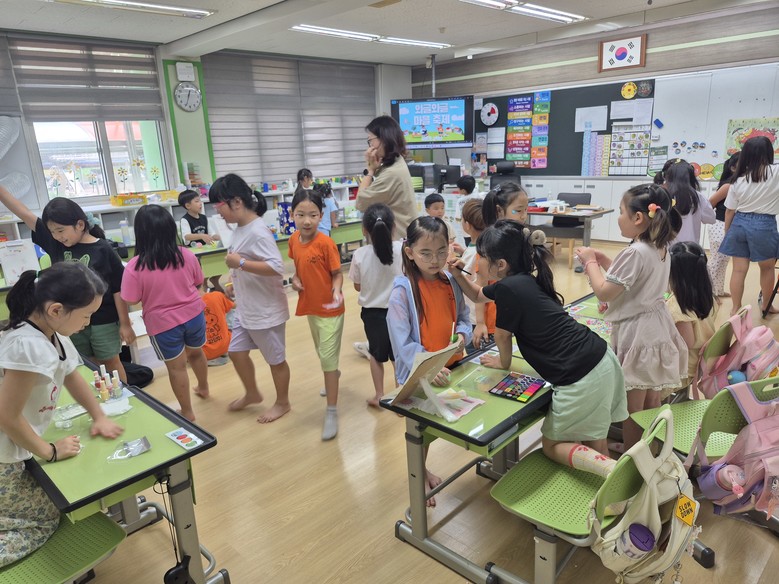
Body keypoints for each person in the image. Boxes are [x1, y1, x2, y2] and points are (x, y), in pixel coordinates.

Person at [450, 221, 626, 478]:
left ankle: (611, 470)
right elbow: (478, 295)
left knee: (552, 445)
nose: (478, 263)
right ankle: (612, 487)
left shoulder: (508, 288)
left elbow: (502, 335)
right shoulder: (521, 281)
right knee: (594, 436)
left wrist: (503, 363)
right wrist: (458, 275)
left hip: (580, 375)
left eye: (482, 257)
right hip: (601, 360)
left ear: (501, 264)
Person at [0, 262, 123, 567]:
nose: (88, 323)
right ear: (56, 309)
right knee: (45, 520)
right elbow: (6, 416)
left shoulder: (52, 332)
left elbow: (72, 376)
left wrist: (99, 416)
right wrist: (50, 451)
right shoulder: (29, 346)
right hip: (4, 456)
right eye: (86, 316)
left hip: (15, 446)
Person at [576, 183, 687, 449]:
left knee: (632, 408)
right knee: (651, 400)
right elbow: (633, 280)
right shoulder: (659, 247)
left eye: (621, 211)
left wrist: (590, 262)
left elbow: (605, 291)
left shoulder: (635, 251)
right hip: (655, 327)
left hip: (639, 333)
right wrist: (604, 261)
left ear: (637, 217)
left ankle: (633, 458)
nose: (618, 217)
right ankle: (650, 449)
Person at [0, 187, 134, 383]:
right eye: (52, 232)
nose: (57, 236)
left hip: (103, 319)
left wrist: (125, 323)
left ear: (80, 224)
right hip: (68, 319)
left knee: (111, 361)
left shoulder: (103, 248)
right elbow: (23, 212)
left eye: (61, 230)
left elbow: (117, 289)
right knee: (84, 363)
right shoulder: (55, 243)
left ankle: (123, 394)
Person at [387, 216, 471, 505]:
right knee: (418, 430)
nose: (435, 260)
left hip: (450, 369)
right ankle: (418, 475)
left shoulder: (451, 282)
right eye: (426, 253)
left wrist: (463, 335)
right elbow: (402, 343)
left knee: (433, 428)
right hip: (420, 374)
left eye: (441, 252)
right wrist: (429, 366)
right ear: (410, 252)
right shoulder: (403, 291)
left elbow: (463, 318)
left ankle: (422, 469)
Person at [209, 174, 292, 423]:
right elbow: (244, 263)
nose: (217, 211)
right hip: (247, 308)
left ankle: (283, 403)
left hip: (265, 311)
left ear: (236, 202)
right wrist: (234, 282)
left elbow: (276, 267)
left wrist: (241, 264)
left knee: (276, 361)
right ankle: (252, 393)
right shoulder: (239, 229)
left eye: (218, 205)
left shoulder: (258, 231)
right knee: (236, 352)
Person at [120, 205, 209, 422]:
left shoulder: (135, 266)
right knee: (196, 353)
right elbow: (198, 281)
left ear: (140, 233)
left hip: (163, 324)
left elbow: (130, 299)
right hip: (194, 315)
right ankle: (204, 387)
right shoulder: (186, 254)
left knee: (176, 368)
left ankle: (187, 411)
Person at [289, 189, 344, 440]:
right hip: (311, 307)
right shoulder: (293, 240)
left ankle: (331, 411)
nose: (307, 220)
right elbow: (297, 269)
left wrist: (337, 290)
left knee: (328, 360)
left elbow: (337, 274)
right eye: (301, 214)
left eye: (313, 215)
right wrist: (295, 280)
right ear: (292, 215)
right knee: (323, 355)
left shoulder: (325, 243)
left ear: (321, 215)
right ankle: (332, 374)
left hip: (331, 310)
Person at [348, 204, 403, 407]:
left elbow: (357, 286)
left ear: (364, 230)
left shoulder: (360, 254)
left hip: (372, 315)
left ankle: (379, 395)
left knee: (376, 355)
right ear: (394, 226)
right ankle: (400, 398)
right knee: (398, 356)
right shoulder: (402, 250)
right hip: (399, 311)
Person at [719, 136, 779, 315]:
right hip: (764, 224)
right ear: (769, 152)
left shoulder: (738, 180)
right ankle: (766, 305)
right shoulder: (776, 172)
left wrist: (727, 231)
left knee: (738, 270)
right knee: (767, 268)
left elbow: (729, 211)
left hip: (739, 223)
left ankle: (735, 308)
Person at [665, 242, 719, 399]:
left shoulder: (678, 307)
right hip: (698, 361)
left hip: (684, 369)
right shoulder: (708, 297)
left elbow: (685, 344)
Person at [356, 115, 417, 239]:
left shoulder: (392, 173)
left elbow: (360, 203)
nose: (370, 146)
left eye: (370, 140)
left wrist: (370, 170)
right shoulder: (397, 162)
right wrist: (374, 168)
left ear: (383, 139)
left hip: (397, 241)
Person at [707, 153, 740, 297]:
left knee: (724, 260)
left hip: (728, 225)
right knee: (717, 260)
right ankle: (708, 293)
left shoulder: (739, 184)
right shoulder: (728, 185)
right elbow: (710, 202)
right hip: (719, 225)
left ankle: (718, 290)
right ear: (733, 167)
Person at [178, 189, 223, 292]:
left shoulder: (204, 218)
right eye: (197, 201)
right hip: (195, 253)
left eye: (200, 201)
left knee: (221, 260)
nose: (200, 203)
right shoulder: (185, 220)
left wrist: (220, 236)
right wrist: (201, 236)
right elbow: (186, 236)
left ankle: (214, 279)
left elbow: (211, 234)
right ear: (188, 206)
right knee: (203, 269)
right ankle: (204, 285)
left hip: (207, 249)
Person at [664, 160, 715, 247]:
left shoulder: (664, 195)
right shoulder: (698, 197)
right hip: (690, 248)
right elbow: (711, 219)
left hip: (667, 247)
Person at [200, 284, 234, 367]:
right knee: (231, 312)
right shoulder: (217, 295)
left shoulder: (184, 307)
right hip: (226, 346)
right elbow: (235, 306)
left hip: (204, 354)